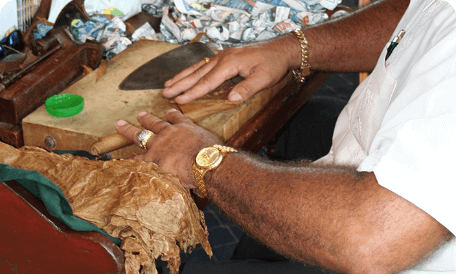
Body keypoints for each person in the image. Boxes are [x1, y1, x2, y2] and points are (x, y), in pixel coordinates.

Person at [115, 0, 456, 272]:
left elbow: (372, 241)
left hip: (379, 247)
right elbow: (415, 16)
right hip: (368, 174)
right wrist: (293, 48)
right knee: (307, 121)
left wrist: (202, 160)